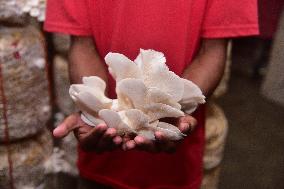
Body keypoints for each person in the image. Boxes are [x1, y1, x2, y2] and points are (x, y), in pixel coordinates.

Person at [44, 1, 258, 188]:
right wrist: (97, 110)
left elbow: (212, 50)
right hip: (102, 155)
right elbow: (82, 44)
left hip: (176, 164)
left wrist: (171, 112)